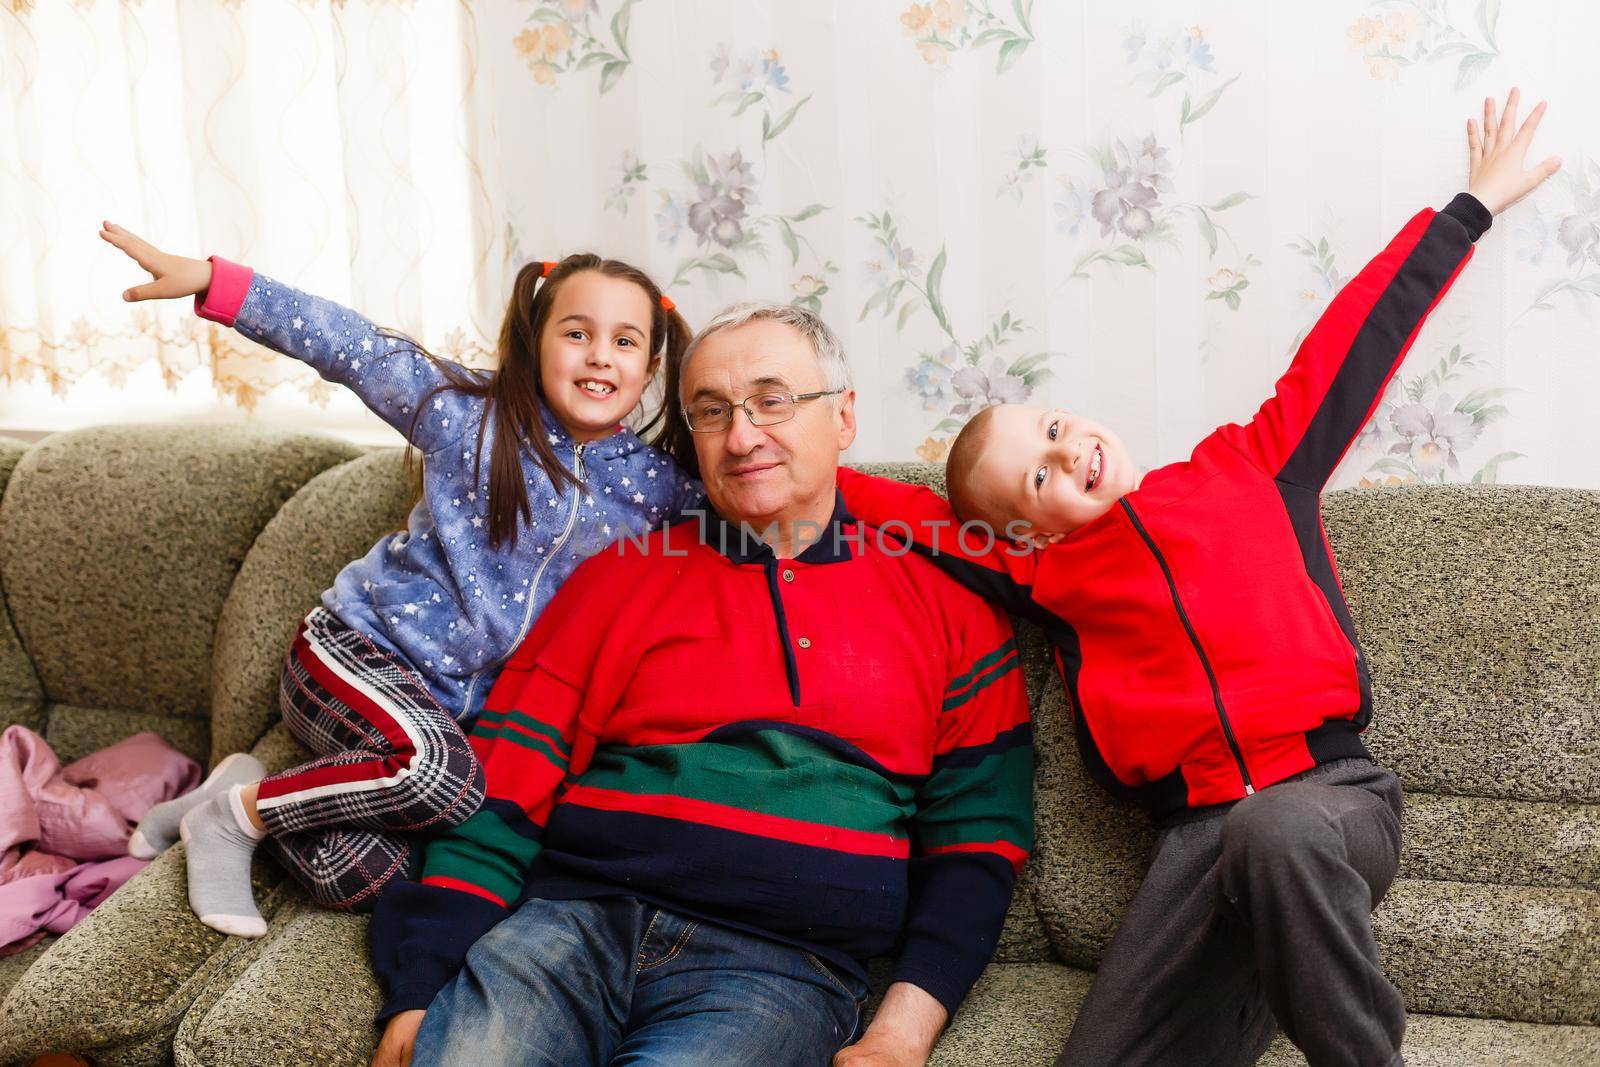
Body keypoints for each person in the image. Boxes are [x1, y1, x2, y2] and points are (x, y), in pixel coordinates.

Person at [835, 89, 1559, 1066]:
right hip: (1195, 846)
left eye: (1052, 427)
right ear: (1021, 527)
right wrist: (768, 452)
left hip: (1332, 800)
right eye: (1037, 474)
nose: (1065, 451)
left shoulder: (1251, 467)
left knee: (1275, 830)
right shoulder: (1051, 578)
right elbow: (905, 512)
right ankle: (1251, 977)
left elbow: (1354, 341)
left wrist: (1468, 206)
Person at [367, 303, 1034, 1067]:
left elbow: (978, 839)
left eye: (772, 400)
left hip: (777, 968)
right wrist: (421, 984)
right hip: (565, 930)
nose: (742, 436)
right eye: (711, 413)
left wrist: (899, 1033)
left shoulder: (948, 598)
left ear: (844, 417)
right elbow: (503, 788)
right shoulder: (620, 578)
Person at [100, 228, 701, 934]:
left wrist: (854, 518)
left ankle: (243, 784)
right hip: (349, 656)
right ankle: (229, 821)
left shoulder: (655, 489)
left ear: (652, 362)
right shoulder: (468, 416)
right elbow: (355, 348)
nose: (601, 353)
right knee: (442, 776)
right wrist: (216, 281)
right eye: (577, 332)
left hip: (445, 726)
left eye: (626, 341)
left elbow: (757, 503)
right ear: (538, 340)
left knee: (367, 875)